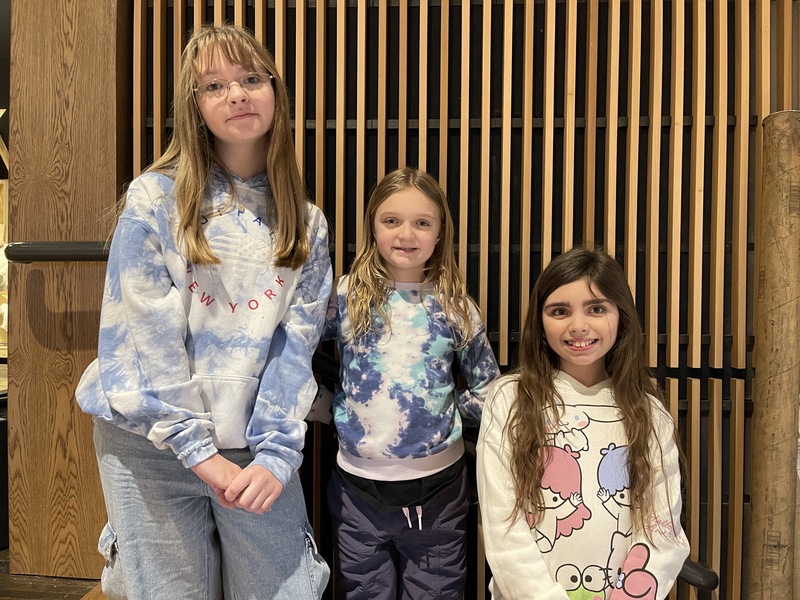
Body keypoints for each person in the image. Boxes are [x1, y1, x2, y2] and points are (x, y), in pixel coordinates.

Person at [76, 25, 331, 600]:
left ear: (275, 91)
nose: (236, 94)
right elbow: (142, 340)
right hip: (152, 444)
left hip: (254, 448)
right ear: (195, 107)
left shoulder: (307, 223)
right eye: (215, 86)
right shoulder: (153, 199)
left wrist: (276, 455)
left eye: (250, 79)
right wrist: (198, 452)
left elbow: (296, 351)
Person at [321, 167, 500, 599]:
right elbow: (290, 356)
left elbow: (490, 389)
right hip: (356, 488)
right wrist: (323, 407)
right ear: (373, 227)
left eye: (422, 222)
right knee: (364, 592)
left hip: (440, 487)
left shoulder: (457, 307)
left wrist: (444, 413)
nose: (407, 233)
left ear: (440, 233)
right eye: (391, 220)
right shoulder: (343, 298)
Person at [476, 247, 690, 600]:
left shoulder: (649, 412)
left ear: (620, 314)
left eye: (596, 308)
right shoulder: (510, 399)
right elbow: (504, 526)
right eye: (560, 311)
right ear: (540, 322)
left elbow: (662, 531)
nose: (578, 325)